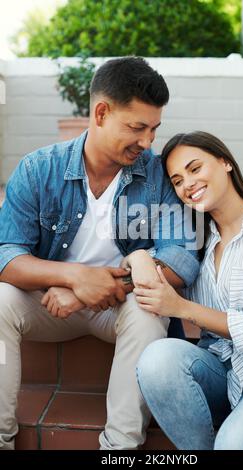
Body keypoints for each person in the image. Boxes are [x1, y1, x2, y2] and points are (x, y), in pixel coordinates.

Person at [0, 57, 200, 450]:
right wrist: (72, 277)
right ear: (101, 113)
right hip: (51, 305)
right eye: (137, 127)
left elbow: (180, 260)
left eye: (154, 128)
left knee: (149, 308)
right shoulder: (39, 169)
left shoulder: (159, 174)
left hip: (119, 309)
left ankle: (120, 448)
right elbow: (6, 255)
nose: (147, 142)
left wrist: (94, 288)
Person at [134, 131, 243, 450]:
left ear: (225, 162)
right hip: (222, 368)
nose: (188, 184)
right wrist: (138, 255)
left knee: (234, 444)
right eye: (178, 180)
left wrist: (181, 308)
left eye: (195, 169)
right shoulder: (198, 241)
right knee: (157, 359)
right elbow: (149, 268)